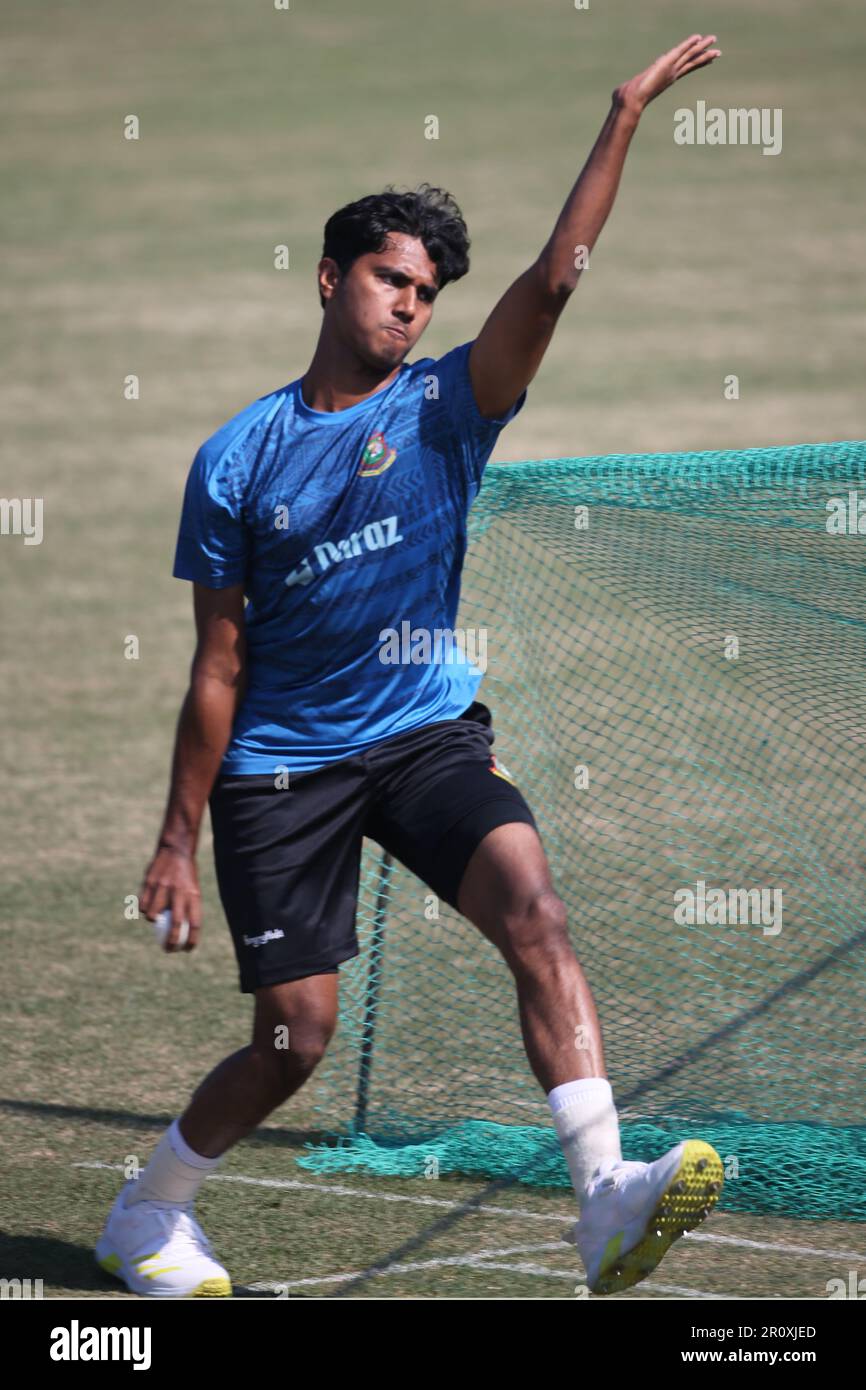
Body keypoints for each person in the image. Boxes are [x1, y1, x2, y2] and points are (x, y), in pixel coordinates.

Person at [97, 33, 724, 1298]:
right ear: (329, 280)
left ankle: (601, 1194)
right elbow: (217, 664)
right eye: (390, 279)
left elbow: (551, 283)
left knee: (535, 913)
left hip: (425, 732)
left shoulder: (447, 407)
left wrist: (620, 117)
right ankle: (149, 1211)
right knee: (292, 1037)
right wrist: (175, 837)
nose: (410, 304)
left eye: (426, 291)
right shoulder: (237, 459)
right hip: (282, 764)